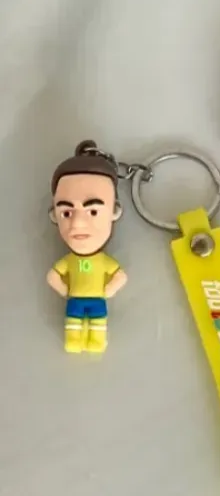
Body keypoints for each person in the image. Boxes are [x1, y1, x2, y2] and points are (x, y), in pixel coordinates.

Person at [46, 140, 128, 354]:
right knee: (73, 325)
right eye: (66, 213)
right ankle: (74, 341)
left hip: (96, 301)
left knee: (97, 325)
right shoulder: (69, 261)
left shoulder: (102, 261)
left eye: (92, 211)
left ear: (114, 212)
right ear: (54, 215)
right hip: (76, 301)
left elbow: (120, 276)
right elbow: (53, 276)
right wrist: (64, 290)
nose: (77, 224)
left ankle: (96, 341)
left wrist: (109, 290)